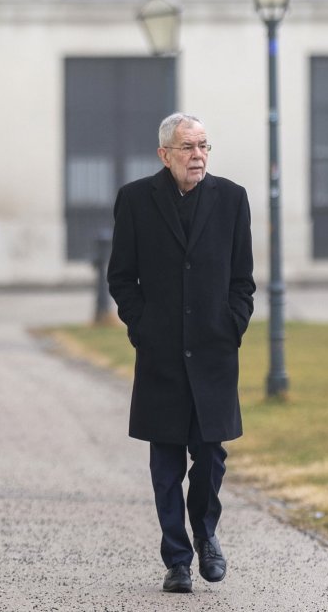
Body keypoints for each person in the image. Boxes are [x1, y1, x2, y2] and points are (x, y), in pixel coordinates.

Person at [107, 112, 255, 593]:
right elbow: (121, 278)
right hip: (161, 355)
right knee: (166, 465)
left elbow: (242, 280)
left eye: (204, 146)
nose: (198, 156)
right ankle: (177, 560)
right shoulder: (135, 200)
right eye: (188, 148)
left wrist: (232, 325)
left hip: (214, 353)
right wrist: (143, 328)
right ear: (164, 154)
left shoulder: (232, 199)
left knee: (211, 457)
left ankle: (206, 534)